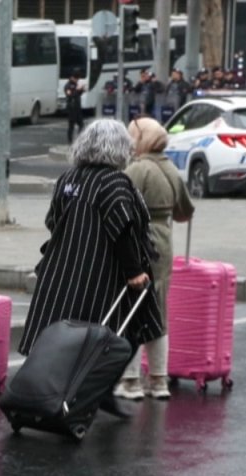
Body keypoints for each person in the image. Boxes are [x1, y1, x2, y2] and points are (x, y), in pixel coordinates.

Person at [18, 119, 163, 405]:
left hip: (60, 271)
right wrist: (134, 272)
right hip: (98, 275)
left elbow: (52, 220)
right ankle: (90, 393)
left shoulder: (68, 179)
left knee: (56, 334)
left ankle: (51, 388)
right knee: (118, 334)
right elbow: (122, 229)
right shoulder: (114, 183)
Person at [114, 118, 193, 401]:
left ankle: (131, 380)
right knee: (158, 310)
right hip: (165, 240)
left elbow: (119, 206)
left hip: (140, 239)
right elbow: (185, 212)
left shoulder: (136, 169)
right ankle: (159, 381)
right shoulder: (171, 169)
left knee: (131, 310)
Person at [64, 72, 86, 144]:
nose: (77, 80)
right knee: (71, 125)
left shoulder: (76, 84)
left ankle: (79, 140)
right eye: (76, 78)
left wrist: (81, 90)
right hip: (71, 108)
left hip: (77, 108)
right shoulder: (68, 85)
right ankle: (70, 141)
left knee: (81, 124)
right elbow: (70, 95)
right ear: (72, 77)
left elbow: (78, 94)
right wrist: (77, 90)